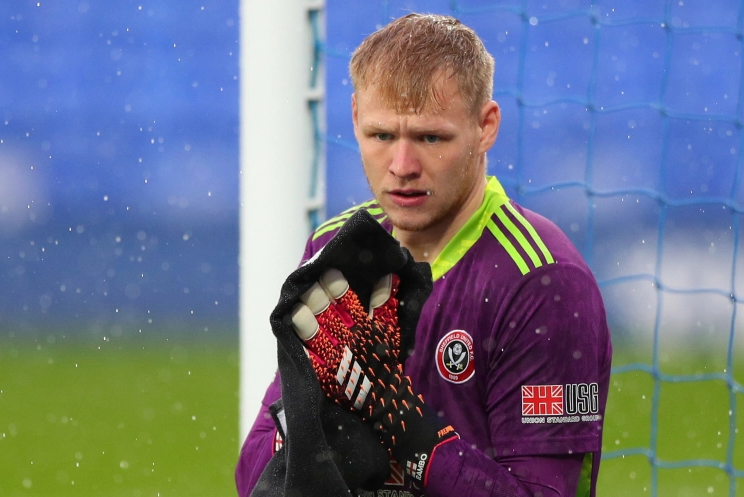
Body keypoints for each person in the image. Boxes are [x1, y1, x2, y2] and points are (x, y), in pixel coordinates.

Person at [237, 13, 612, 497]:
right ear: (354, 117)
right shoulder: (338, 250)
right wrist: (314, 426)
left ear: (485, 127)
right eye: (381, 136)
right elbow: (253, 474)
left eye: (430, 138)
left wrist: (407, 430)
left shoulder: (543, 281)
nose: (402, 166)